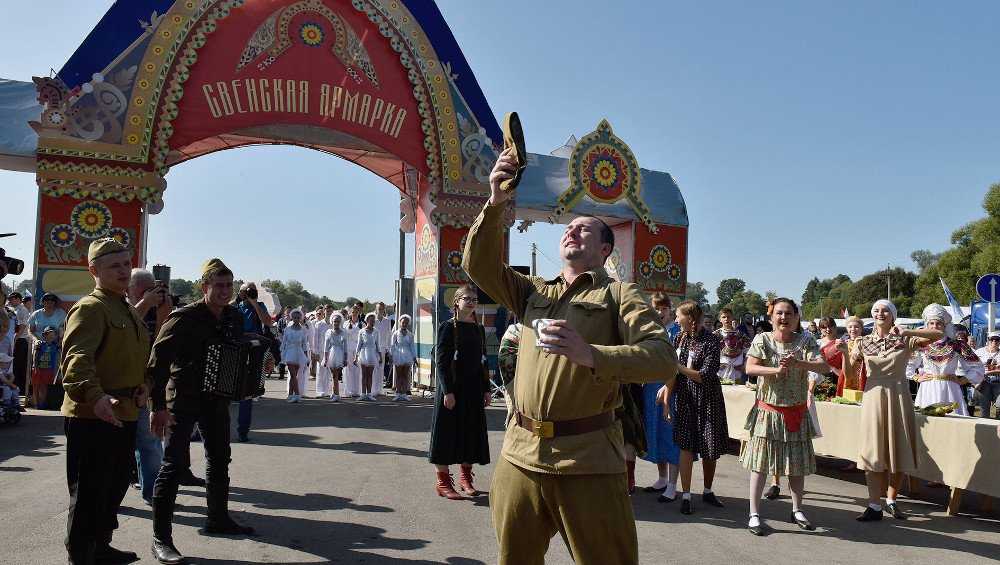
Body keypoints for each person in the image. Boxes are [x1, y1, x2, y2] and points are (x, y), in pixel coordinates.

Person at [464, 148, 677, 565]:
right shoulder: (530, 290)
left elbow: (661, 358)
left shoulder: (618, 294)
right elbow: (478, 264)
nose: (572, 232)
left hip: (589, 462)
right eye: (568, 228)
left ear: (604, 251)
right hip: (520, 456)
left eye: (584, 230)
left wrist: (593, 354)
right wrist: (496, 200)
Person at [148, 258, 256, 564]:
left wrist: (258, 361)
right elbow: (157, 363)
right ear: (204, 286)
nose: (225, 291)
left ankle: (217, 518)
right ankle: (161, 539)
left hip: (216, 399)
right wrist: (156, 407)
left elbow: (239, 348)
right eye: (218, 286)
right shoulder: (183, 318)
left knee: (220, 458)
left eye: (228, 285)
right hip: (182, 399)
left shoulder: (233, 316)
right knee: (172, 467)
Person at [61, 238, 150, 564]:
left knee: (113, 488)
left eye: (127, 264)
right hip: (92, 415)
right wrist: (95, 396)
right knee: (89, 492)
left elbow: (137, 359)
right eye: (115, 265)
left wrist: (145, 385)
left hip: (125, 412)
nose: (124, 270)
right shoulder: (91, 307)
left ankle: (100, 545)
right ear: (94, 270)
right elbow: (76, 361)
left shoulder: (126, 307)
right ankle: (81, 555)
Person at [842, 299, 941, 522]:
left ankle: (892, 500)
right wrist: (843, 354)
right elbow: (849, 375)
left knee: (899, 448)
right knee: (872, 450)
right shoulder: (862, 341)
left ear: (893, 315)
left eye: (885, 310)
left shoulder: (905, 338)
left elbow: (938, 335)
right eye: (876, 310)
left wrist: (907, 331)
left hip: (898, 395)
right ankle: (874, 505)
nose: (880, 313)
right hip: (873, 396)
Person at [741, 297, 829, 536]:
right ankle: (754, 513)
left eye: (788, 313)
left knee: (796, 466)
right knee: (759, 465)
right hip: (769, 412)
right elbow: (750, 368)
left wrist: (799, 363)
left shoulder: (806, 340)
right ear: (771, 317)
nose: (783, 317)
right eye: (779, 313)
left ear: (796, 317)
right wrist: (776, 370)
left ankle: (797, 509)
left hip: (796, 411)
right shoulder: (763, 339)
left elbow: (824, 367)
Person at [660, 300, 725, 515]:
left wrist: (677, 366)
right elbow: (672, 374)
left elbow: (705, 376)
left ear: (690, 319)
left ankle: (707, 490)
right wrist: (667, 398)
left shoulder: (711, 341)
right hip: (686, 398)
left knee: (709, 447)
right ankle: (686, 495)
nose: (676, 320)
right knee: (685, 446)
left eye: (679, 316)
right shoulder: (679, 338)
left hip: (708, 398)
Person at [429, 286, 491, 499]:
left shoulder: (478, 329)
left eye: (475, 299)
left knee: (471, 433)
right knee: (445, 434)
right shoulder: (447, 327)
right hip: (452, 390)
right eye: (467, 298)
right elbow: (441, 362)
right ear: (456, 302)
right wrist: (447, 391)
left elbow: (484, 360)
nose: (472, 302)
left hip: (473, 390)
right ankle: (443, 482)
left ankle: (466, 478)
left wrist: (486, 389)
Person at [907, 304, 983, 417]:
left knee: (953, 422)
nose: (935, 326)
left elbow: (978, 367)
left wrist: (963, 380)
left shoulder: (958, 345)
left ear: (945, 325)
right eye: (931, 323)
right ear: (927, 325)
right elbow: (907, 365)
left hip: (951, 389)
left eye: (938, 323)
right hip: (928, 389)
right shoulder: (921, 344)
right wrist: (916, 377)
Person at [641, 292, 681, 502]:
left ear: (670, 310)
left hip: (670, 387)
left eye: (664, 308)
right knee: (655, 431)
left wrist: (668, 386)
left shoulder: (676, 332)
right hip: (650, 386)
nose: (660, 312)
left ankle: (673, 484)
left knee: (670, 433)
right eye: (656, 308)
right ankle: (662, 477)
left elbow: (677, 363)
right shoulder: (649, 331)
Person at [234, 282, 272, 441]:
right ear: (241, 293)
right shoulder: (234, 307)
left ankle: (243, 431)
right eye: (247, 291)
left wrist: (255, 303)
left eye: (253, 291)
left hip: (254, 351)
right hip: (236, 350)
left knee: (247, 393)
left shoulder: (260, 306)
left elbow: (268, 322)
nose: (251, 293)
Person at [281, 310, 309, 403]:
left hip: (299, 353)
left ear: (300, 318)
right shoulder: (287, 329)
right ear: (292, 318)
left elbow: (304, 344)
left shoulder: (303, 330)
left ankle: (290, 394)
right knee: (293, 374)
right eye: (295, 317)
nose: (296, 319)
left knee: (295, 376)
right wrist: (282, 353)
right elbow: (283, 342)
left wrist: (306, 357)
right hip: (289, 353)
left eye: (298, 318)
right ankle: (297, 395)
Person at [717, 307, 749, 384]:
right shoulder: (715, 335)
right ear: (720, 319)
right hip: (720, 371)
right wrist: (715, 365)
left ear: (732, 318)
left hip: (737, 371)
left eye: (728, 317)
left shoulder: (741, 335)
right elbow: (710, 354)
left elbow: (749, 352)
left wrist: (744, 365)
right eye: (724, 317)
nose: (726, 319)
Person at [31, 327, 59, 409]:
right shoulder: (40, 345)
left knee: (44, 387)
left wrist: (55, 370)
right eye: (49, 334)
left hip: (48, 369)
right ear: (45, 335)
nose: (51, 336)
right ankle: (36, 404)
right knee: (35, 386)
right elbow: (35, 356)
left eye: (53, 334)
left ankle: (42, 403)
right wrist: (35, 367)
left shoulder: (56, 346)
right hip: (38, 368)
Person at [355, 312, 382, 401]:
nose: (372, 322)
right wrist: (356, 356)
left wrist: (380, 356)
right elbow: (359, 345)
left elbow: (378, 345)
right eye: (370, 320)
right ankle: (363, 394)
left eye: (373, 321)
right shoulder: (361, 331)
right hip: (363, 354)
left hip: (372, 354)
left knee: (370, 375)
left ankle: (369, 393)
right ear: (366, 321)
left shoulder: (376, 331)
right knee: (363, 375)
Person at [390, 314, 417, 401]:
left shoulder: (410, 335)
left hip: (407, 355)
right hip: (398, 355)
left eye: (406, 322)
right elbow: (392, 345)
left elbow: (412, 346)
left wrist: (414, 357)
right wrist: (391, 355)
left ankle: (404, 394)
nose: (404, 324)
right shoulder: (395, 333)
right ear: (400, 323)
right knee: (399, 375)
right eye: (403, 322)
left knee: (405, 375)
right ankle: (398, 393)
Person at [8, 291, 30, 393]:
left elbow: (22, 326)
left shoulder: (22, 310)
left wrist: (15, 339)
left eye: (12, 299)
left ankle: (20, 388)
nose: (10, 301)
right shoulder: (16, 309)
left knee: (20, 365)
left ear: (18, 299)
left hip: (21, 340)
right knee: (15, 365)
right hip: (17, 340)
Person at [322, 313, 347, 401]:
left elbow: (345, 347)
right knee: (333, 375)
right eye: (335, 321)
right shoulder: (328, 332)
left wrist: (345, 358)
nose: (336, 323)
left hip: (340, 354)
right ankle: (334, 393)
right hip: (331, 354)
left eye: (338, 321)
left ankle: (336, 394)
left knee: (336, 375)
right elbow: (326, 347)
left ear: (340, 322)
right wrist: (325, 359)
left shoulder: (343, 332)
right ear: (332, 322)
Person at [975, 331, 1000, 418]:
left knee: (999, 405)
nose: (994, 342)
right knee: (984, 407)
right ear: (988, 340)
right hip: (983, 381)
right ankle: (984, 428)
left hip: (998, 381)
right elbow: (972, 366)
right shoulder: (979, 351)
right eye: (992, 339)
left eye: (997, 340)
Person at [343, 304, 364, 398]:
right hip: (348, 347)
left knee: (358, 369)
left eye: (356, 312)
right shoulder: (346, 323)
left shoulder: (362, 324)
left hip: (358, 348)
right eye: (353, 312)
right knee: (348, 369)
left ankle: (357, 390)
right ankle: (349, 390)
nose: (354, 313)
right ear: (350, 313)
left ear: (359, 313)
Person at [311, 306, 332, 398]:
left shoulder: (333, 324)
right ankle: (320, 391)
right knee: (321, 371)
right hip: (321, 351)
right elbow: (315, 339)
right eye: (327, 310)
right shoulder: (319, 324)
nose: (328, 312)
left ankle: (327, 391)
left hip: (331, 351)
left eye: (330, 310)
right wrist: (315, 352)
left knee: (329, 371)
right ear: (324, 311)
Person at [374, 302, 393, 389]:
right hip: (373, 348)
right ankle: (372, 388)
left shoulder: (387, 321)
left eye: (382, 309)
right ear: (376, 310)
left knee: (381, 368)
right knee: (374, 368)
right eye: (379, 309)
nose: (381, 310)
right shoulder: (373, 320)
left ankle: (379, 389)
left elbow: (389, 335)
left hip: (383, 348)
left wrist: (388, 349)